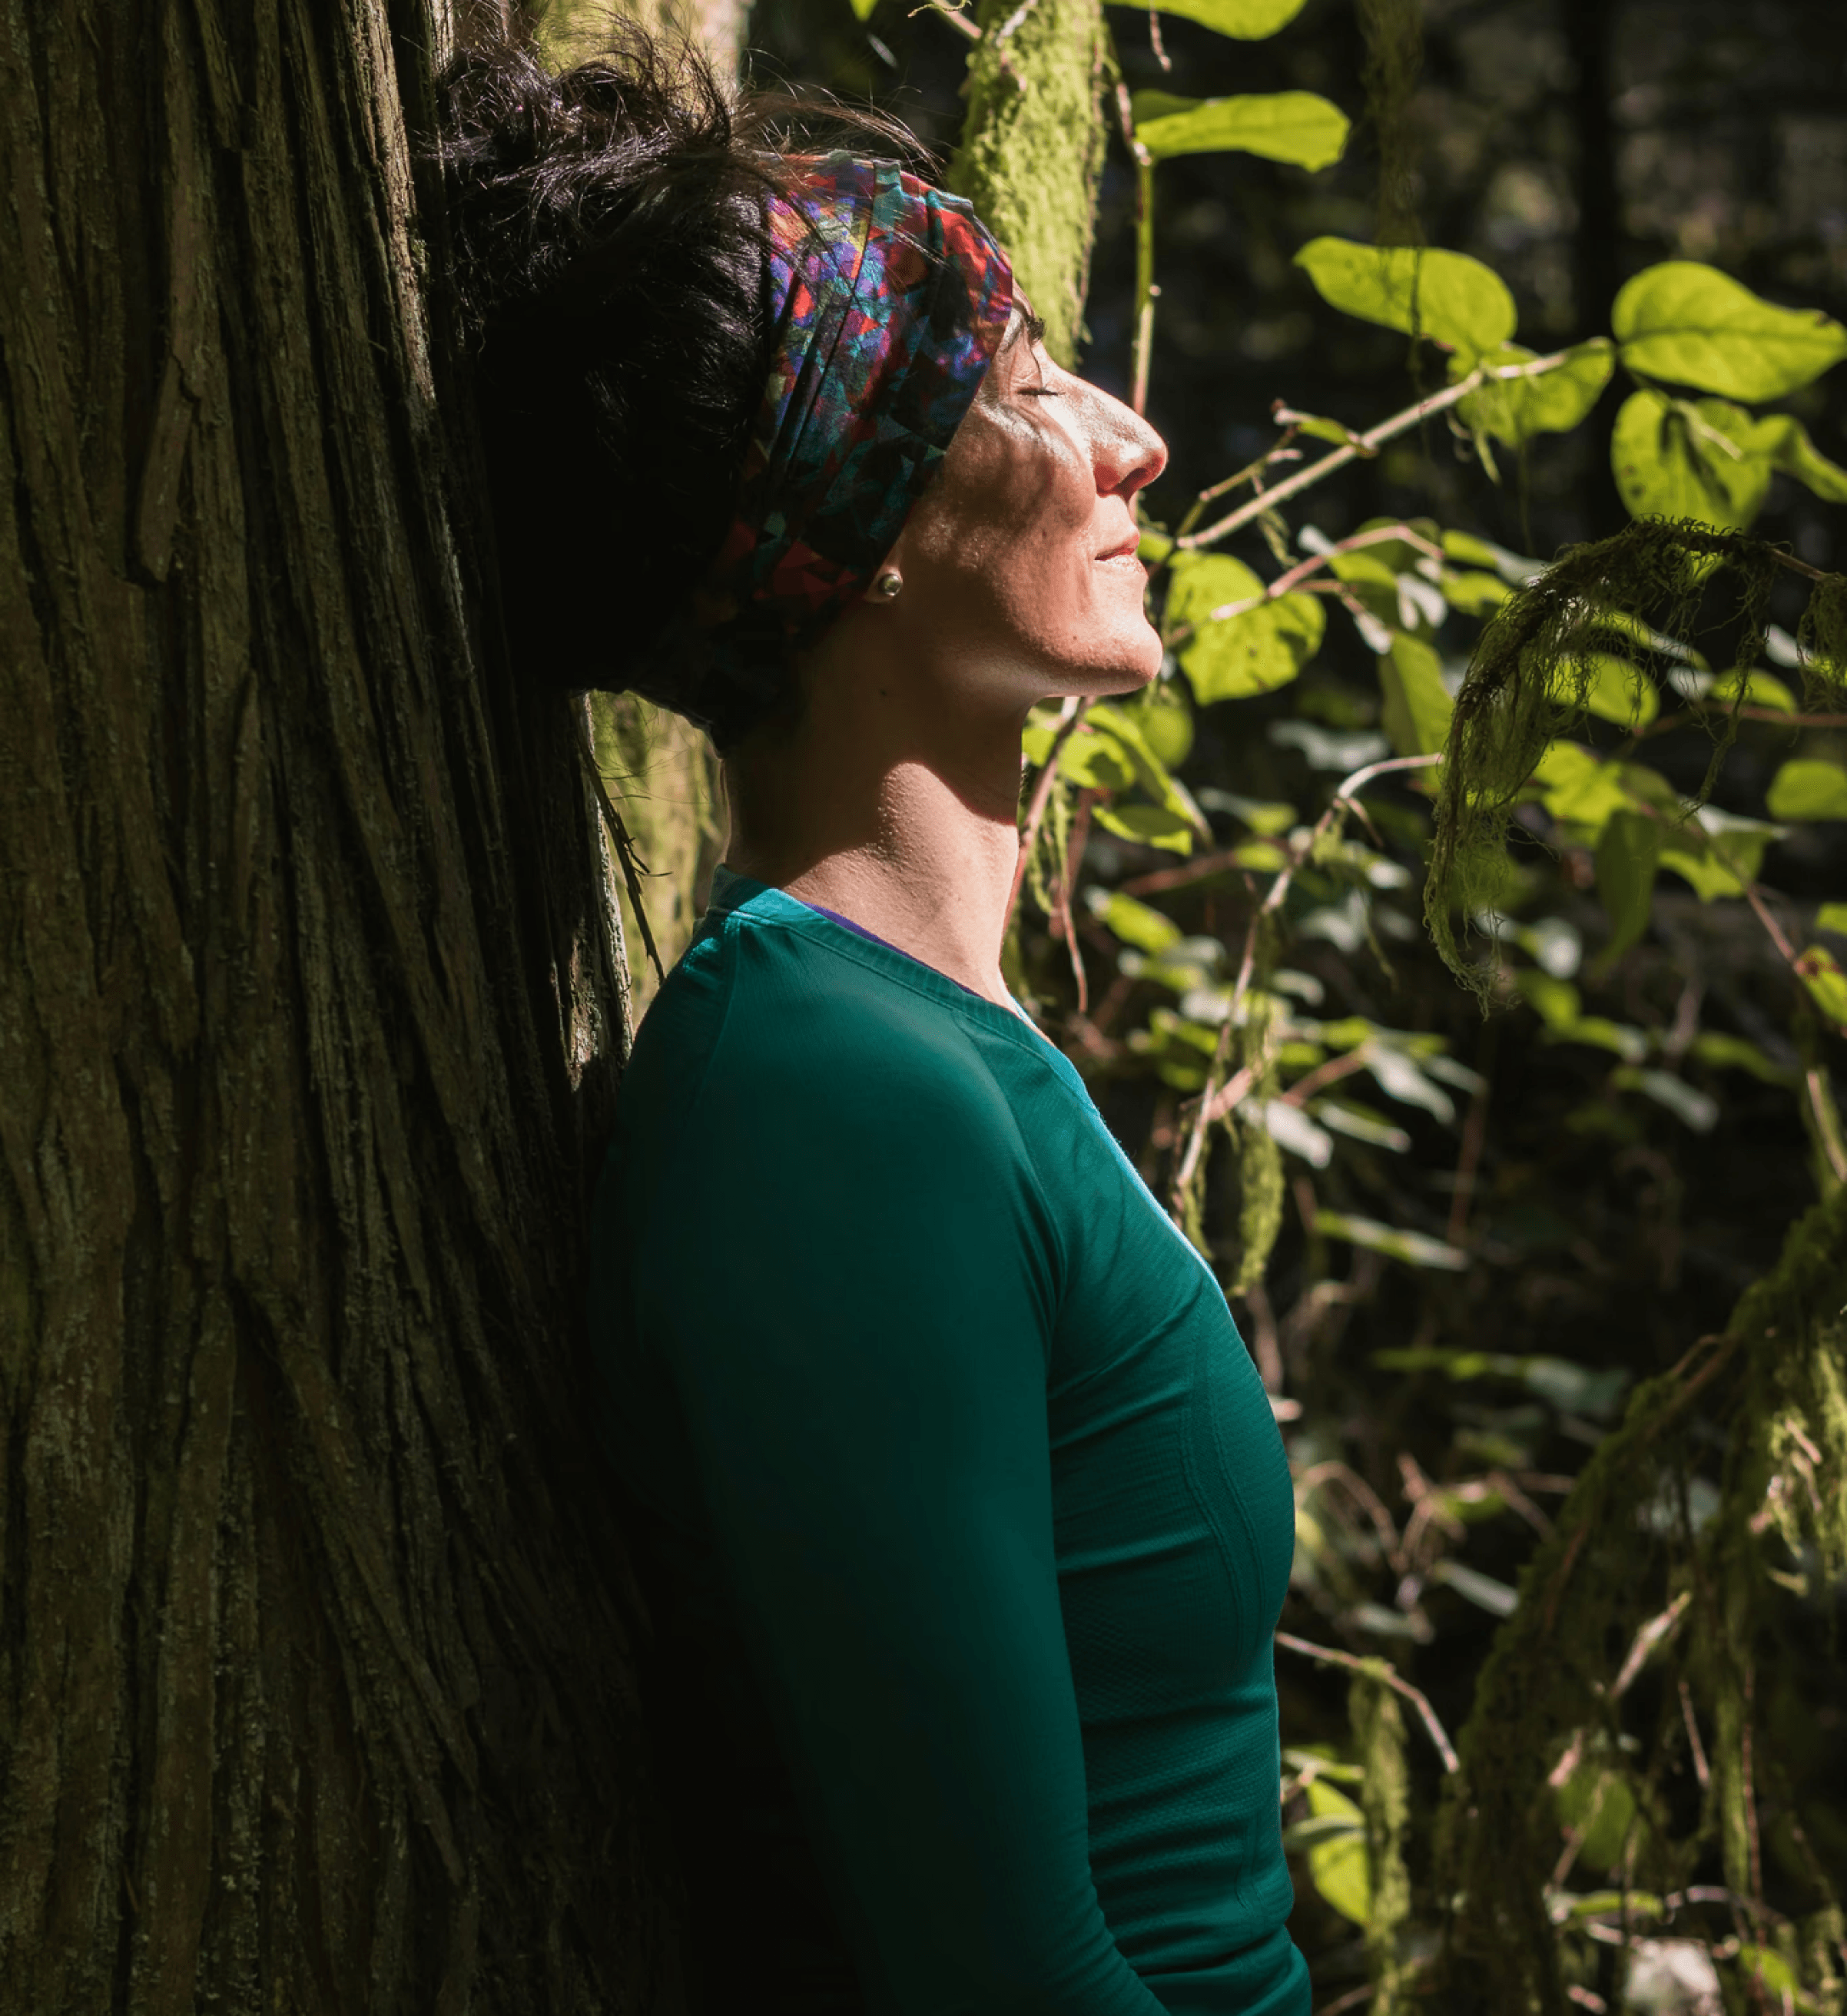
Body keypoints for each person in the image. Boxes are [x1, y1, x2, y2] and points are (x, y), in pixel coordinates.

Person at [439, 29, 1307, 2016]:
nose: (1131, 440)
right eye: (1023, 386)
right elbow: (1005, 1977)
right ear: (866, 514)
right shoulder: (828, 1097)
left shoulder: (916, 1044)